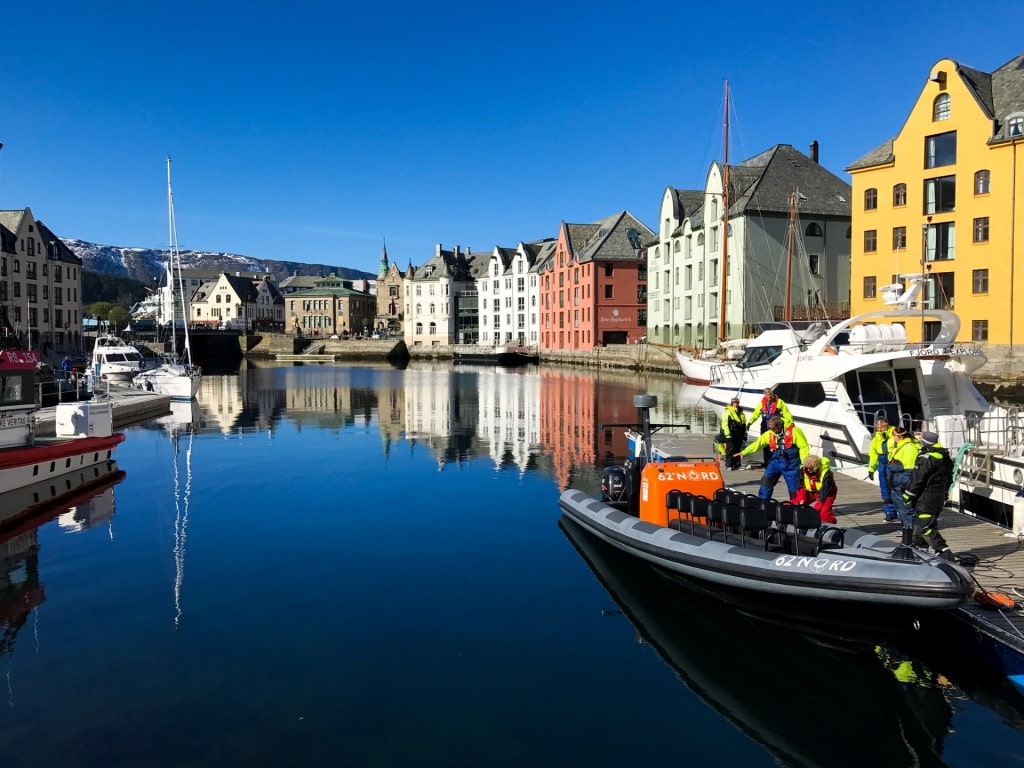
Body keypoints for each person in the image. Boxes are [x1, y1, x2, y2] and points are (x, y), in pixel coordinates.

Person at [903, 431, 958, 561]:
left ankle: (944, 552)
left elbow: (918, 479)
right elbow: (949, 479)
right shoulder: (945, 457)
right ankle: (919, 549)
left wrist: (908, 495)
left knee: (926, 526)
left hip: (926, 498)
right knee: (919, 523)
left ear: (924, 441)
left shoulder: (926, 458)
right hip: (938, 497)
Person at [735, 415, 809, 500]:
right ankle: (762, 503)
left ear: (779, 426)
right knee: (766, 481)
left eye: (773, 429)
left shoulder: (795, 431)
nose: (771, 431)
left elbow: (804, 448)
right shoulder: (770, 434)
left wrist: (803, 464)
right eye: (770, 428)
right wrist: (744, 452)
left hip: (791, 465)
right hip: (776, 462)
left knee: (795, 490)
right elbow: (758, 444)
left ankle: (795, 508)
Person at [747, 387, 793, 467]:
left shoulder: (780, 402)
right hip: (765, 425)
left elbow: (787, 413)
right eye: (768, 395)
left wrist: (790, 422)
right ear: (765, 395)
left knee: (778, 443)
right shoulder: (761, 403)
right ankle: (767, 462)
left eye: (771, 394)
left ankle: (778, 461)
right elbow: (755, 414)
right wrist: (750, 423)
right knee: (765, 444)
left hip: (776, 425)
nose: (770, 396)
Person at [887, 425, 921, 532]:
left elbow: (909, 468)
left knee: (905, 507)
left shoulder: (909, 447)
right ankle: (905, 527)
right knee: (899, 505)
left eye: (894, 436)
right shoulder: (901, 446)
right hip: (897, 479)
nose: (893, 439)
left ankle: (909, 530)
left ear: (900, 437)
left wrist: (903, 484)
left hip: (903, 480)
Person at [866, 415, 898, 522]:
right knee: (884, 488)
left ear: (886, 425)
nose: (880, 429)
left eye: (882, 426)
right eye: (878, 427)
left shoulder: (894, 434)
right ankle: (890, 512)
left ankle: (900, 511)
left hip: (892, 461)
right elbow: (873, 455)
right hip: (882, 462)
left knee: (894, 487)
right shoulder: (876, 439)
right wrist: (871, 469)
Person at [793, 454, 838, 523]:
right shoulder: (802, 471)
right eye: (808, 469)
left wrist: (816, 509)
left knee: (824, 514)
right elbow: (800, 486)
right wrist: (801, 500)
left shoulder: (827, 474)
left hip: (827, 493)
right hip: (810, 492)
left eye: (812, 469)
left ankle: (832, 525)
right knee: (794, 504)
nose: (810, 471)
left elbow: (824, 494)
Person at [719, 397, 746, 470]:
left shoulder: (741, 413)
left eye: (737, 403)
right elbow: (725, 424)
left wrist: (745, 434)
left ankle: (737, 464)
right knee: (730, 449)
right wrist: (727, 434)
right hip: (731, 433)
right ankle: (729, 465)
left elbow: (744, 424)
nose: (736, 404)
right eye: (734, 403)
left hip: (739, 433)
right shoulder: (727, 412)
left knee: (738, 449)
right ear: (732, 404)